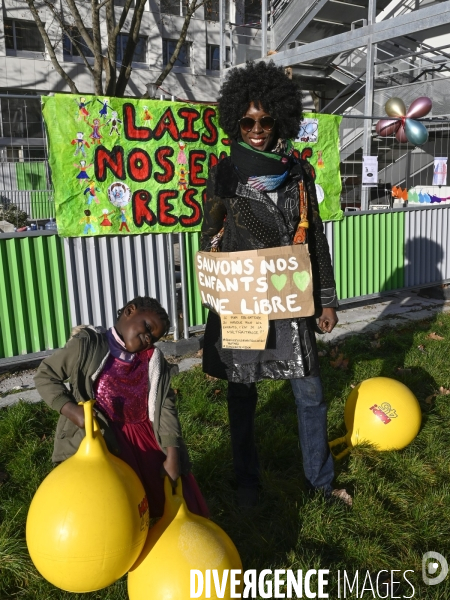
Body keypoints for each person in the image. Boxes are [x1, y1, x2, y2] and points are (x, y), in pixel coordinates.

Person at [201, 61, 351, 508]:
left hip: (291, 295)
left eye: (266, 120)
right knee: (242, 393)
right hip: (245, 301)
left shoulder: (299, 174)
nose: (257, 129)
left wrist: (325, 300)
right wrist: (216, 271)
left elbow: (315, 237)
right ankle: (247, 483)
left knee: (311, 393)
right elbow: (207, 239)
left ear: (280, 119)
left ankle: (320, 484)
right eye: (248, 121)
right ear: (235, 121)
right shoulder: (224, 175)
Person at [34, 296, 208, 518]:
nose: (147, 338)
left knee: (164, 498)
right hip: (101, 438)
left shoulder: (153, 360)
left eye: (153, 337)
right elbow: (45, 375)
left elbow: (165, 406)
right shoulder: (88, 346)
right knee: (112, 507)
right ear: (130, 311)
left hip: (145, 440)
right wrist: (71, 410)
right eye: (147, 327)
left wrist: (172, 452)